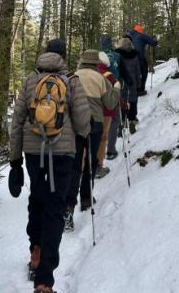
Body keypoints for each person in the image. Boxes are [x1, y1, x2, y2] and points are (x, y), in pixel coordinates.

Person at [9, 39, 90, 293]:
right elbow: (82, 121)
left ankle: (35, 251)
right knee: (55, 207)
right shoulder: (71, 81)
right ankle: (44, 280)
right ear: (64, 56)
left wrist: (15, 161)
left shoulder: (30, 80)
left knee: (37, 199)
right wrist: (84, 137)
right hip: (61, 152)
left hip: (33, 151)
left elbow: (17, 120)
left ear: (45, 54)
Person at [64, 49, 120, 228]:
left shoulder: (73, 77)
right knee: (91, 161)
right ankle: (87, 198)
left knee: (75, 165)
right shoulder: (100, 78)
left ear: (82, 61)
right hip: (94, 123)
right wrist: (117, 89)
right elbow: (110, 103)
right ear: (96, 62)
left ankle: (68, 209)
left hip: (75, 125)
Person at [95, 52, 118, 178]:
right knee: (102, 138)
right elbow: (113, 96)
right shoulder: (109, 75)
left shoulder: (89, 73)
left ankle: (84, 167)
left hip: (90, 111)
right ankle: (99, 165)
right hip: (106, 112)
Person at [100, 34, 122, 161]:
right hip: (114, 87)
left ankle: (96, 157)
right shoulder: (116, 55)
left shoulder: (98, 57)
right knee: (114, 120)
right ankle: (111, 150)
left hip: (98, 95)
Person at [116, 36, 142, 134]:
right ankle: (132, 120)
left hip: (121, 83)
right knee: (133, 102)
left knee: (122, 102)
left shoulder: (117, 55)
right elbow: (137, 71)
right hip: (132, 83)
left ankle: (122, 123)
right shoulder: (134, 55)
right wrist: (139, 85)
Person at [127, 24, 158, 95]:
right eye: (141, 30)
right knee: (143, 72)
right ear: (140, 30)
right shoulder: (142, 36)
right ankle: (140, 90)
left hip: (129, 59)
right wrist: (154, 39)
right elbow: (153, 43)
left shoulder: (129, 36)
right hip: (139, 58)